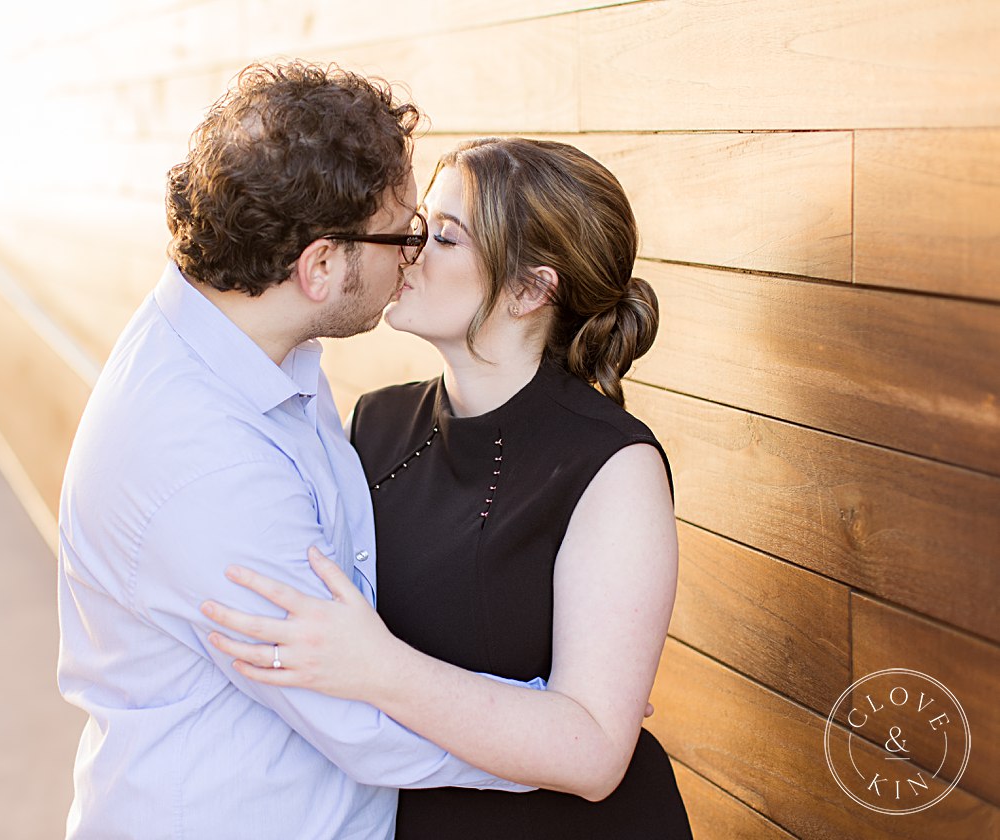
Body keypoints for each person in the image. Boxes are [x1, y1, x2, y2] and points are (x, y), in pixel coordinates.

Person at [55, 63, 545, 840]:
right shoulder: (205, 464)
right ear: (319, 267)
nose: (412, 255)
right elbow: (361, 721)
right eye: (402, 234)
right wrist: (559, 732)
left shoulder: (245, 343)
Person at [202, 137, 694, 837]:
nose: (409, 247)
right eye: (419, 225)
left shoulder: (613, 466)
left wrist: (379, 669)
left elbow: (592, 753)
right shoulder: (375, 419)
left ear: (529, 289)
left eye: (445, 237)